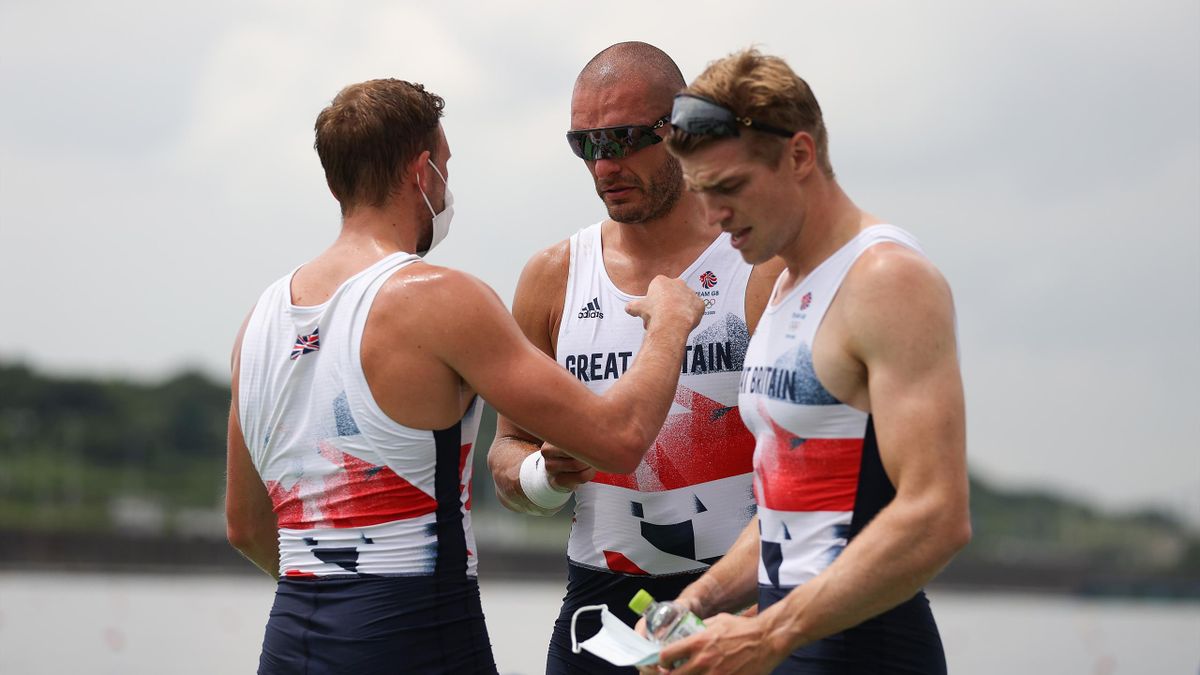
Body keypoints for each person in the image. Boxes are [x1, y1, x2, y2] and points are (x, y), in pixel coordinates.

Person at [224, 78, 703, 675]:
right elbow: (620, 438)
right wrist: (669, 325)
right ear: (423, 172)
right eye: (446, 168)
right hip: (417, 640)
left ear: (335, 182)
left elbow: (245, 526)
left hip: (292, 638)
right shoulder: (438, 298)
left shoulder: (259, 322)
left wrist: (338, 607)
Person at [643, 48, 972, 674]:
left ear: (798, 155)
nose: (713, 216)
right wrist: (694, 603)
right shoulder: (787, 283)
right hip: (791, 643)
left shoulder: (887, 278)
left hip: (866, 653)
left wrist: (769, 635)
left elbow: (936, 514)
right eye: (701, 192)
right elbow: (788, 510)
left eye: (729, 187)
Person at [486, 42, 783, 674]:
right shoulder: (553, 276)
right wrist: (542, 476)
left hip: (741, 600)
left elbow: (812, 462)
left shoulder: (757, 262)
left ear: (679, 131)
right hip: (601, 605)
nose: (604, 165)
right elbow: (507, 451)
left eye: (623, 139)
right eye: (585, 145)